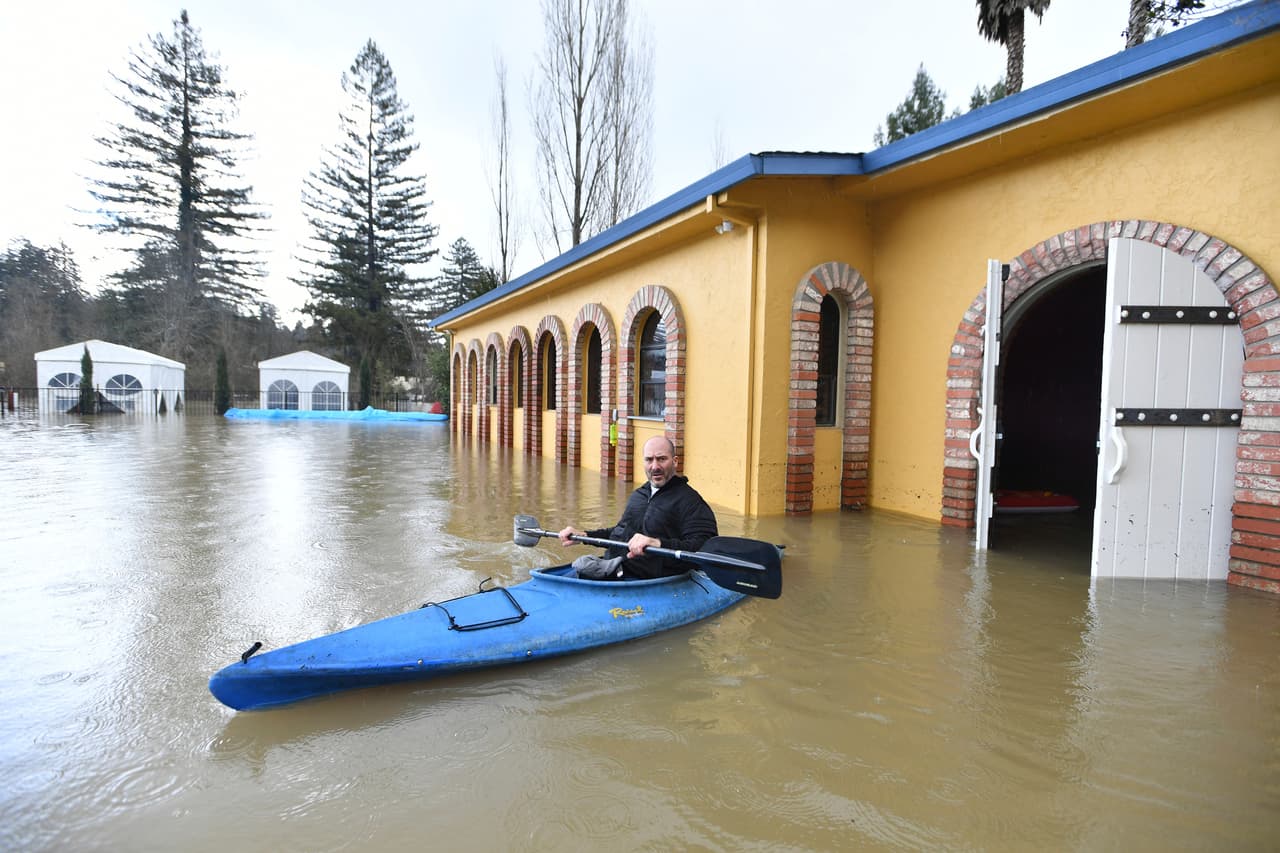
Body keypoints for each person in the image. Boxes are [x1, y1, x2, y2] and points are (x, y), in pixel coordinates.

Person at [558, 435, 718, 580]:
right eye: (649, 460)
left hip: (647, 580)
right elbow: (620, 533)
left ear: (675, 461)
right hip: (612, 567)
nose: (655, 466)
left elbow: (704, 545)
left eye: (661, 459)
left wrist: (657, 543)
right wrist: (584, 535)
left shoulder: (690, 501)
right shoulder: (639, 495)